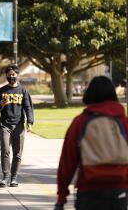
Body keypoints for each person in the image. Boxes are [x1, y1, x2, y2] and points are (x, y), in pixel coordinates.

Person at [54, 76, 128, 210]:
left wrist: (61, 198)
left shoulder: (80, 122)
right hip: (119, 190)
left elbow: (67, 162)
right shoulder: (124, 122)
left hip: (88, 191)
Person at [0, 64, 34, 188]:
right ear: (6, 76)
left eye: (13, 75)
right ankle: (5, 177)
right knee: (5, 150)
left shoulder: (23, 91)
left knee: (17, 153)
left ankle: (14, 178)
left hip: (19, 126)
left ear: (18, 75)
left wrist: (30, 122)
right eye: (9, 75)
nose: (11, 77)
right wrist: (1, 104)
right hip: (5, 125)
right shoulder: (1, 91)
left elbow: (28, 107)